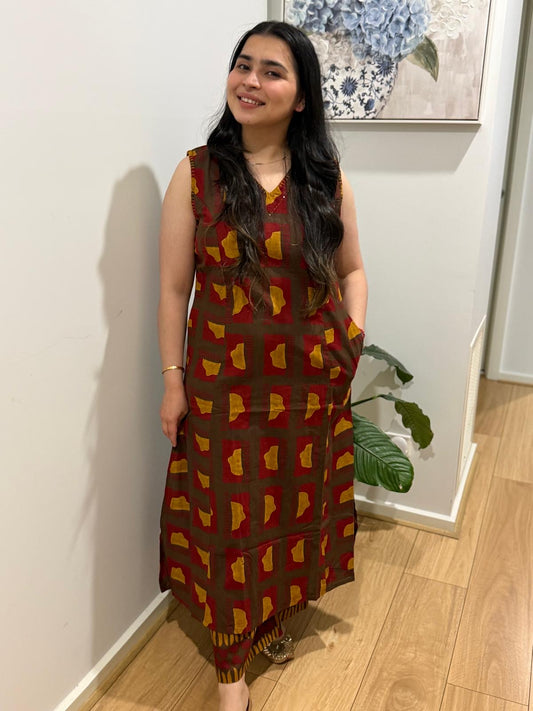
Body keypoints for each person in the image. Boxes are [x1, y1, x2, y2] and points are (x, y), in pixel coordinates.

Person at [157, 20, 367, 711]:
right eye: (242, 65)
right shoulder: (197, 173)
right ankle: (230, 671)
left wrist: (351, 339)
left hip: (307, 382)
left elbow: (353, 270)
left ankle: (270, 616)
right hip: (222, 387)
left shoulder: (324, 180)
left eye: (272, 71)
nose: (250, 81)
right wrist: (172, 380)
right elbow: (173, 290)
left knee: (288, 505)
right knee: (225, 523)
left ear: (301, 96)